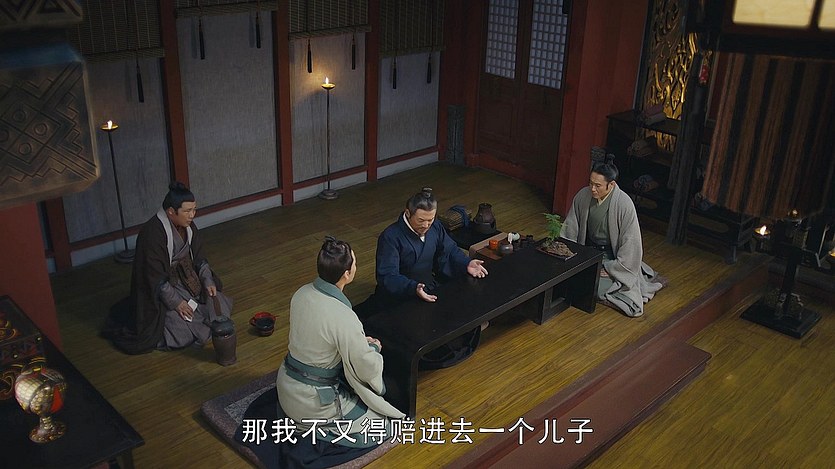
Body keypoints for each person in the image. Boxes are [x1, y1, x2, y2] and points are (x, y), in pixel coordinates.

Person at [253, 236, 404, 467]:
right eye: (354, 263)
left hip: (287, 385)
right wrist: (373, 347)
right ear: (347, 274)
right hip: (313, 400)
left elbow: (319, 337)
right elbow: (364, 364)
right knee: (380, 427)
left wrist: (356, 340)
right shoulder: (343, 316)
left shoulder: (301, 293)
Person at [356, 187, 489, 368]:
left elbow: (449, 251)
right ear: (407, 213)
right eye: (421, 220)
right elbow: (387, 275)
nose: (426, 225)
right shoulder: (391, 236)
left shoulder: (435, 227)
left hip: (429, 287)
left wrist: (466, 263)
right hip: (401, 294)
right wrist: (413, 288)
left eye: (430, 220)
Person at [104, 182, 233, 354]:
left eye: (194, 210)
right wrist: (177, 302)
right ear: (171, 211)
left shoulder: (188, 225)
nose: (192, 215)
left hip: (186, 278)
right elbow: (154, 278)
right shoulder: (152, 234)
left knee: (216, 300)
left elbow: (199, 257)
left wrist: (207, 279)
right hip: (164, 288)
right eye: (187, 211)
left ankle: (205, 316)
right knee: (182, 328)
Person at [561, 159, 664, 317]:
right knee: (569, 280)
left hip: (611, 257)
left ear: (612, 185)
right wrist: (568, 253)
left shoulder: (624, 204)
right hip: (587, 253)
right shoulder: (583, 195)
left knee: (592, 287)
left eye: (598, 185)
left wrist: (611, 269)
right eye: (591, 183)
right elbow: (571, 227)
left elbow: (631, 243)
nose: (592, 189)